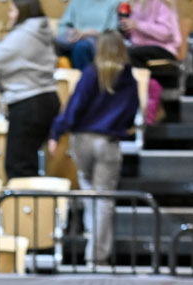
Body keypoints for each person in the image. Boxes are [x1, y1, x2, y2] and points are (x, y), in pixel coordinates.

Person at [48, 31, 139, 267]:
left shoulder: (91, 73)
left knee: (90, 194)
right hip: (108, 141)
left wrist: (57, 132)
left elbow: (75, 106)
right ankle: (97, 256)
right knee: (104, 199)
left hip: (82, 140)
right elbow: (131, 111)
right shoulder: (127, 77)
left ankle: (93, 246)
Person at [0, 0, 60, 180]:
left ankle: (25, 199)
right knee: (27, 163)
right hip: (47, 98)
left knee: (18, 168)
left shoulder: (25, 33)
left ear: (23, 10)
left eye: (12, 10)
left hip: (29, 102)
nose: (9, 15)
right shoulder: (41, 28)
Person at [122, 0, 182, 122]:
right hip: (138, 49)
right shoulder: (131, 5)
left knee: (131, 55)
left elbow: (166, 32)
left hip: (163, 48)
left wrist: (137, 25)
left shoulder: (162, 3)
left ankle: (149, 93)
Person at [56, 0, 119, 68]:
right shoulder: (76, 2)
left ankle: (86, 74)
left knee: (81, 47)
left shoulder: (115, 2)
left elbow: (112, 32)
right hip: (74, 39)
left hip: (100, 40)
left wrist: (89, 33)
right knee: (54, 44)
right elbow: (62, 26)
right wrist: (72, 33)